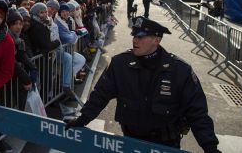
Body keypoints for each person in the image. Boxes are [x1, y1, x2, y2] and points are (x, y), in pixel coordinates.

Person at [65, 16, 221, 153]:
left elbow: (197, 112)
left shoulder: (180, 71)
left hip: (165, 145)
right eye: (134, 35)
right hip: (130, 142)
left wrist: (210, 147)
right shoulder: (120, 64)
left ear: (156, 40)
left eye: (140, 36)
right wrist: (83, 119)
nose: (134, 40)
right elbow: (100, 95)